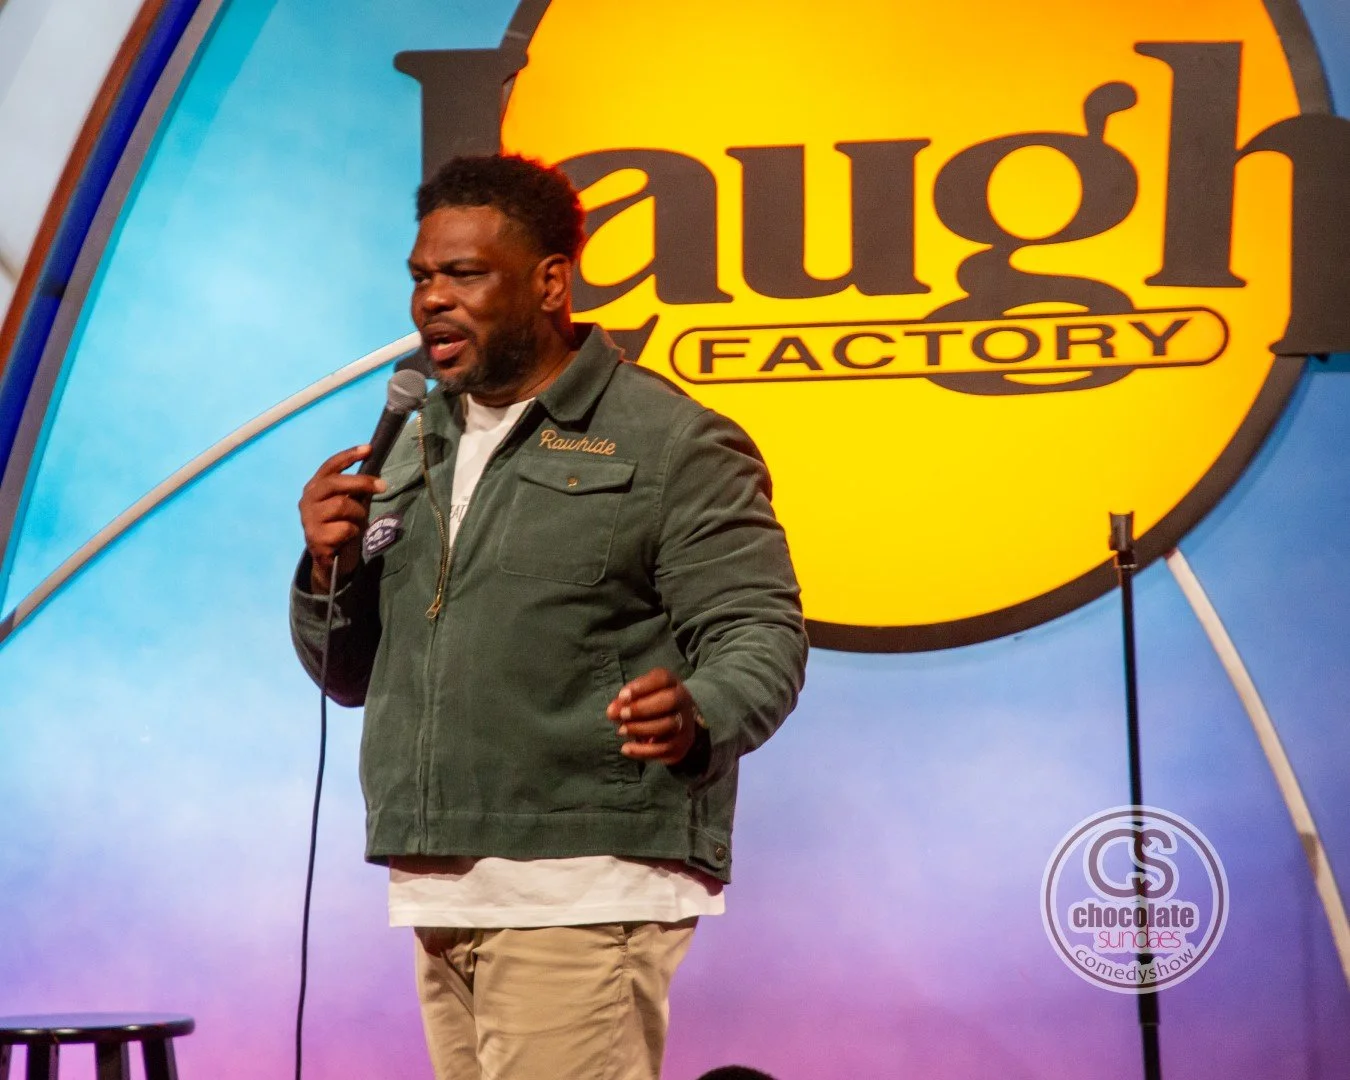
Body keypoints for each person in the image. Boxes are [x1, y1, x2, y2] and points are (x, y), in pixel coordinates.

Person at [290, 154, 807, 1080]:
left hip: (581, 882)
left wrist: (699, 714)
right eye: (421, 276)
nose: (432, 300)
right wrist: (327, 566)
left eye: (464, 274)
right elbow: (350, 674)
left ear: (551, 283)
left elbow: (760, 632)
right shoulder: (412, 441)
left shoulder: (669, 440)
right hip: (440, 882)